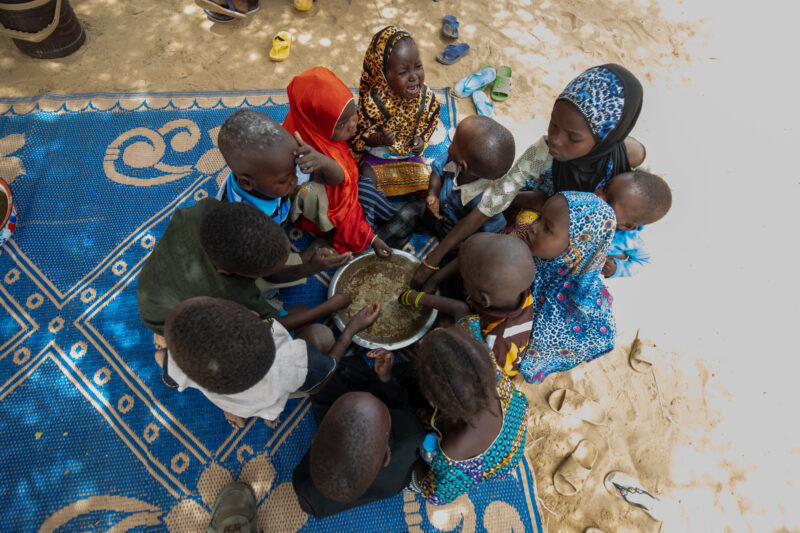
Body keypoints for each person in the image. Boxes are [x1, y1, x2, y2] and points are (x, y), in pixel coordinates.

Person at [411, 63, 644, 289]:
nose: (555, 140)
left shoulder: (620, 168)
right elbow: (491, 204)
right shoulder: (543, 153)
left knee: (508, 271)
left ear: (606, 141)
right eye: (553, 123)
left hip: (561, 236)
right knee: (496, 229)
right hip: (542, 212)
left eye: (573, 138)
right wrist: (432, 260)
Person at [136, 199, 348, 337]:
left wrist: (308, 267)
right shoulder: (233, 293)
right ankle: (171, 356)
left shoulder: (207, 210)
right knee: (252, 334)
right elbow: (274, 323)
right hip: (166, 319)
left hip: (165, 278)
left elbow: (265, 269)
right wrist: (328, 307)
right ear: (229, 273)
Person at [160, 296, 381, 425]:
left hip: (229, 396)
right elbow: (323, 379)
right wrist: (351, 329)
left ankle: (233, 410)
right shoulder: (287, 362)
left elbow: (165, 366)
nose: (255, 314)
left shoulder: (185, 353)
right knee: (320, 336)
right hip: (268, 396)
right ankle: (262, 414)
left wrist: (164, 352)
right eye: (248, 315)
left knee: (302, 312)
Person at [292, 350, 425, 519]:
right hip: (395, 479)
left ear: (315, 439)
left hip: (337, 414)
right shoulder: (411, 433)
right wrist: (386, 380)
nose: (368, 393)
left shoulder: (306, 488)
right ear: (386, 455)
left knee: (332, 375)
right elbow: (401, 404)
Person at [408, 327, 528, 505]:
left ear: (434, 402)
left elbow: (438, 496)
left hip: (491, 463)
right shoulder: (489, 365)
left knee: (416, 473)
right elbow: (467, 319)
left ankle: (415, 483)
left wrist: (419, 469)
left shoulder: (453, 449)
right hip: (512, 435)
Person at [283, 66, 394, 257]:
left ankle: (385, 220)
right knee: (360, 206)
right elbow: (337, 189)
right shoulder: (299, 150)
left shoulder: (313, 124)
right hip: (318, 197)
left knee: (367, 189)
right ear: (318, 124)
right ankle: (329, 237)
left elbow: (352, 145)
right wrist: (369, 238)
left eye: (353, 113)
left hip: (336, 183)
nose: (353, 123)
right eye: (343, 124)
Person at [509, 191, 617, 384]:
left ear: (576, 247)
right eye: (539, 218)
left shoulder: (574, 310)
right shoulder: (540, 258)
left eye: (547, 228)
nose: (534, 227)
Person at [399, 233, 535, 374]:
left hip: (481, 364)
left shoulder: (497, 344)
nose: (462, 275)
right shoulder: (513, 288)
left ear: (484, 300)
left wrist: (419, 298)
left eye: (465, 277)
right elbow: (466, 261)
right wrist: (434, 280)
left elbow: (460, 309)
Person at [350, 26, 441, 197]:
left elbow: (431, 119)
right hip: (377, 156)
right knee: (365, 183)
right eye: (403, 72)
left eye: (418, 66)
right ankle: (376, 212)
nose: (414, 76)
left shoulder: (425, 96)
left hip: (408, 155)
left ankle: (412, 214)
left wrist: (421, 139)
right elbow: (359, 135)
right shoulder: (373, 101)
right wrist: (378, 139)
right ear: (383, 75)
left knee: (427, 188)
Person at [595, 170, 672, 278]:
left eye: (609, 201)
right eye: (605, 188)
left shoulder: (631, 240)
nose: (598, 195)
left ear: (627, 226)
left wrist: (616, 269)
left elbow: (642, 261)